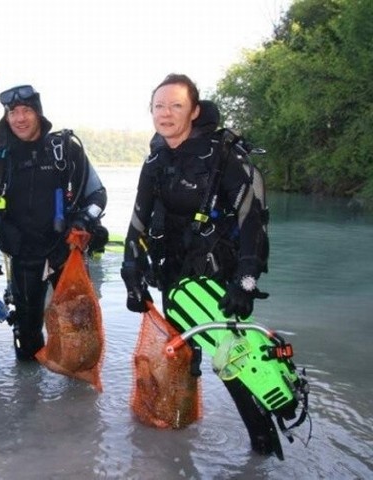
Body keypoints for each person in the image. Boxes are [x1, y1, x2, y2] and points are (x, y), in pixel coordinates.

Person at [120, 74, 274, 455]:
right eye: (159, 106)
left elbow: (251, 221)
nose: (166, 113)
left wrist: (247, 282)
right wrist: (132, 272)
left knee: (235, 368)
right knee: (180, 356)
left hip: (218, 282)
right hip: (173, 277)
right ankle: (179, 441)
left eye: (176, 105)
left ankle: (263, 448)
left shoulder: (221, 156)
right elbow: (138, 220)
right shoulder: (155, 160)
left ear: (195, 110)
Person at [0, 84, 108, 361]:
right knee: (27, 340)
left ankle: (78, 399)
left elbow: (97, 195)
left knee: (79, 331)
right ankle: (29, 400)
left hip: (66, 253)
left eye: (26, 111)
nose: (19, 118)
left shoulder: (65, 150)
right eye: (13, 112)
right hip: (23, 257)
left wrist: (83, 219)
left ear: (38, 114)